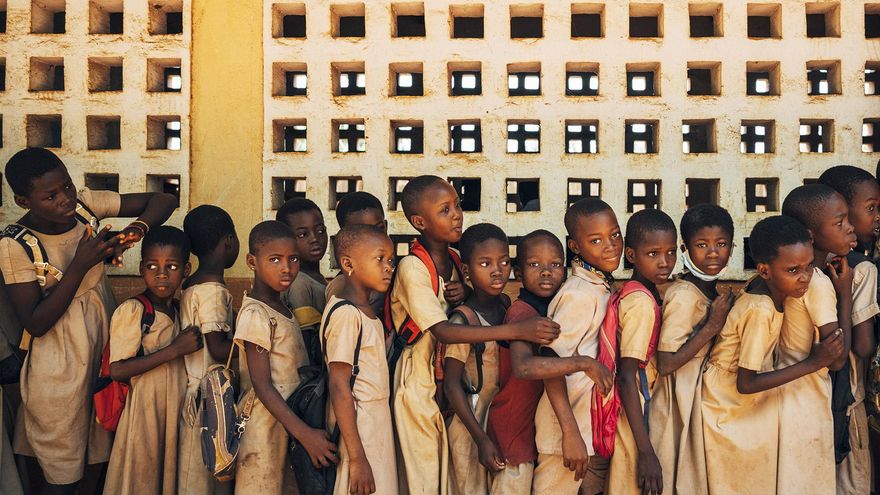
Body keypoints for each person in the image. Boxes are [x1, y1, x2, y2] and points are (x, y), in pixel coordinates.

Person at [0, 147, 176, 494]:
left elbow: (164, 199)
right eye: (50, 196)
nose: (65, 199)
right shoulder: (15, 245)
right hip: (57, 369)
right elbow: (36, 322)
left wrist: (135, 230)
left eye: (67, 186)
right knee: (63, 469)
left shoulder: (85, 207)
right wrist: (81, 264)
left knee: (102, 457)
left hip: (103, 353)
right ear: (23, 201)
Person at [388, 175, 559, 494]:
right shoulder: (412, 267)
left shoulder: (455, 259)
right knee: (426, 475)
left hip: (454, 381)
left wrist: (467, 291)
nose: (456, 215)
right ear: (419, 221)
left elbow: (473, 299)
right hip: (419, 380)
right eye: (445, 210)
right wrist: (516, 330)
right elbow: (443, 330)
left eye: (457, 205)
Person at [701, 215, 844, 494]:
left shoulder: (765, 288)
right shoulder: (761, 309)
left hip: (740, 400)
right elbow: (746, 383)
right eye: (793, 270)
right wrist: (813, 363)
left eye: (809, 266)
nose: (805, 277)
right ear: (765, 271)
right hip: (727, 403)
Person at [487, 230, 611, 494]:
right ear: (518, 273)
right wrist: (585, 363)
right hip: (515, 432)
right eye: (535, 265)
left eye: (555, 264)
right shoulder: (523, 313)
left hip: (530, 430)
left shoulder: (551, 307)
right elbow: (524, 367)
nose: (546, 272)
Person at [233, 221, 337, 494]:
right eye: (275, 259)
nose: (286, 268)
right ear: (252, 262)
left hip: (287, 423)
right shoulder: (256, 314)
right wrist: (305, 435)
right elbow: (262, 385)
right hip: (264, 426)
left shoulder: (281, 307)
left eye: (293, 259)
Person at [533, 198, 623, 495]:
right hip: (565, 437)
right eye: (596, 240)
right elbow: (550, 363)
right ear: (574, 246)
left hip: (585, 431)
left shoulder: (599, 286)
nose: (610, 246)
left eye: (615, 234)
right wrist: (570, 433)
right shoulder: (579, 294)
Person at [104, 226, 200, 495]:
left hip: (173, 411)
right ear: (141, 268)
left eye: (172, 266)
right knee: (141, 478)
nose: (161, 274)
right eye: (152, 266)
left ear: (186, 270)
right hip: (143, 414)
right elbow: (117, 370)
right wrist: (174, 350)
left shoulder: (181, 310)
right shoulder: (133, 311)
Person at [780, 184, 860, 493]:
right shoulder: (816, 283)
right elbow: (837, 360)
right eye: (839, 223)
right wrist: (845, 294)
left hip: (782, 397)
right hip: (808, 400)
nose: (850, 227)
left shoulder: (787, 274)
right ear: (811, 235)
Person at [649, 205, 734, 495]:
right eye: (702, 245)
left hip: (697, 402)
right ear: (685, 249)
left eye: (721, 244)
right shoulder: (683, 295)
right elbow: (666, 363)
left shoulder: (712, 293)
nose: (713, 253)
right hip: (676, 404)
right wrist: (712, 326)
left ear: (732, 248)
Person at [606, 209, 678, 495]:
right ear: (632, 255)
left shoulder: (639, 291)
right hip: (636, 409)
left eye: (671, 252)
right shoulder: (641, 303)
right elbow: (627, 376)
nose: (665, 262)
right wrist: (646, 452)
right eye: (653, 254)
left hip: (634, 407)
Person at [818, 165, 880, 495]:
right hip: (850, 395)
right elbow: (864, 346)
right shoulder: (862, 269)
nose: (877, 217)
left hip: (814, 393)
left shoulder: (805, 264)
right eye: (871, 208)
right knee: (852, 481)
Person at [323, 224, 397, 495]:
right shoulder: (346, 314)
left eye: (391, 260)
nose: (388, 267)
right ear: (348, 264)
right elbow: (339, 386)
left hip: (375, 426)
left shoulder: (366, 313)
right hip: (359, 429)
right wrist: (357, 458)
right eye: (379, 259)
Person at [177, 205, 239, 495]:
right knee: (204, 474)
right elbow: (217, 348)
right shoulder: (213, 291)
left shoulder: (191, 284)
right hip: (208, 398)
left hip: (194, 390)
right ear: (229, 241)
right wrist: (253, 346)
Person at [277, 198, 329, 365]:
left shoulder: (319, 280)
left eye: (320, 231)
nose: (315, 239)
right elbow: (305, 346)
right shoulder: (299, 283)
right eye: (302, 235)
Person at [325, 191, 387, 316]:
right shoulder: (343, 286)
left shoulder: (389, 273)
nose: (373, 239)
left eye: (378, 228)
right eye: (361, 233)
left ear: (385, 226)